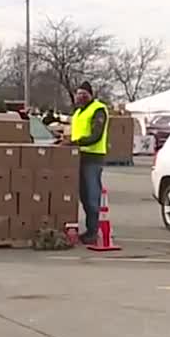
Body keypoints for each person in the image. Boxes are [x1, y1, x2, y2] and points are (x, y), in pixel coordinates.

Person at [66, 82, 109, 245]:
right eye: (78, 94)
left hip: (93, 157)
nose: (81, 96)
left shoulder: (98, 109)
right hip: (78, 157)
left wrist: (76, 142)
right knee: (83, 196)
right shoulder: (78, 112)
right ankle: (89, 230)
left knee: (92, 195)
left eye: (84, 93)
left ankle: (93, 231)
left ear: (91, 94)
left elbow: (96, 135)